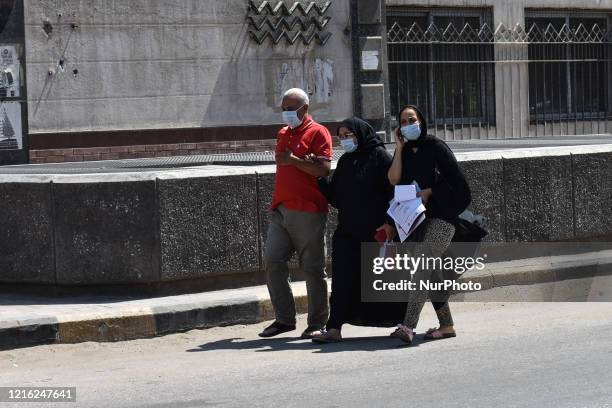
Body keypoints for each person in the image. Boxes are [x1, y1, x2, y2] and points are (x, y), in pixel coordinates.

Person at [310, 117, 406, 343]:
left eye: (349, 135)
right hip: (348, 231)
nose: (345, 140)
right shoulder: (345, 161)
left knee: (385, 279)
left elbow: (397, 193)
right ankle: (334, 328)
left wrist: (390, 224)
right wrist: (318, 179)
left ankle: (402, 323)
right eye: (341, 136)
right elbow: (337, 198)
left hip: (376, 231)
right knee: (343, 279)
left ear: (361, 134)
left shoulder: (380, 157)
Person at [384, 105, 471, 345]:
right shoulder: (404, 151)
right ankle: (447, 326)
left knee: (421, 269)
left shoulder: (436, 147)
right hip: (413, 222)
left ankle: (408, 326)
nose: (407, 123)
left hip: (442, 219)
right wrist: (399, 148)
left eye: (411, 119)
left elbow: (460, 185)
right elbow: (393, 179)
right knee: (430, 275)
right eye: (402, 121)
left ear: (421, 121)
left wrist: (431, 191)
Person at [258, 88, 333, 339]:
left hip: (308, 210)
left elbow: (323, 169)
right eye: (284, 109)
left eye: (291, 109)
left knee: (312, 268)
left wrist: (294, 161)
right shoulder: (283, 133)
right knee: (272, 261)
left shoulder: (318, 132)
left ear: (305, 109)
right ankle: (284, 319)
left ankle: (317, 323)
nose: (287, 113)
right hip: (281, 209)